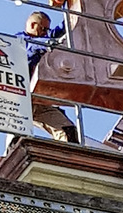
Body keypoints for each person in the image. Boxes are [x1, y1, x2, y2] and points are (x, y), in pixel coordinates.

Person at [18, 11, 79, 144]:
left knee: (67, 129)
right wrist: (48, 43)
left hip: (35, 99)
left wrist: (73, 18)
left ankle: (69, 157)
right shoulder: (19, 40)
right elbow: (32, 46)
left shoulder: (42, 37)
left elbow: (54, 34)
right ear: (33, 25)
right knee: (17, 132)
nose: (46, 32)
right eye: (43, 29)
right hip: (17, 99)